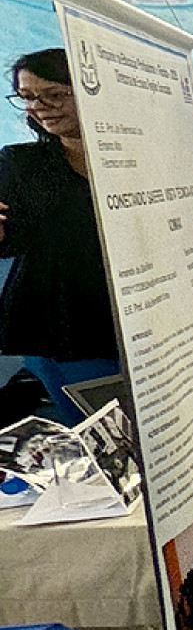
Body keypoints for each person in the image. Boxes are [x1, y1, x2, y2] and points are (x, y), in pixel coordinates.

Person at [0, 49, 116, 420]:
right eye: (28, 96)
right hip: (64, 325)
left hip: (141, 313)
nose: (39, 106)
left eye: (54, 94)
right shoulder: (21, 163)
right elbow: (12, 240)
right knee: (111, 438)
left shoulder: (137, 158)